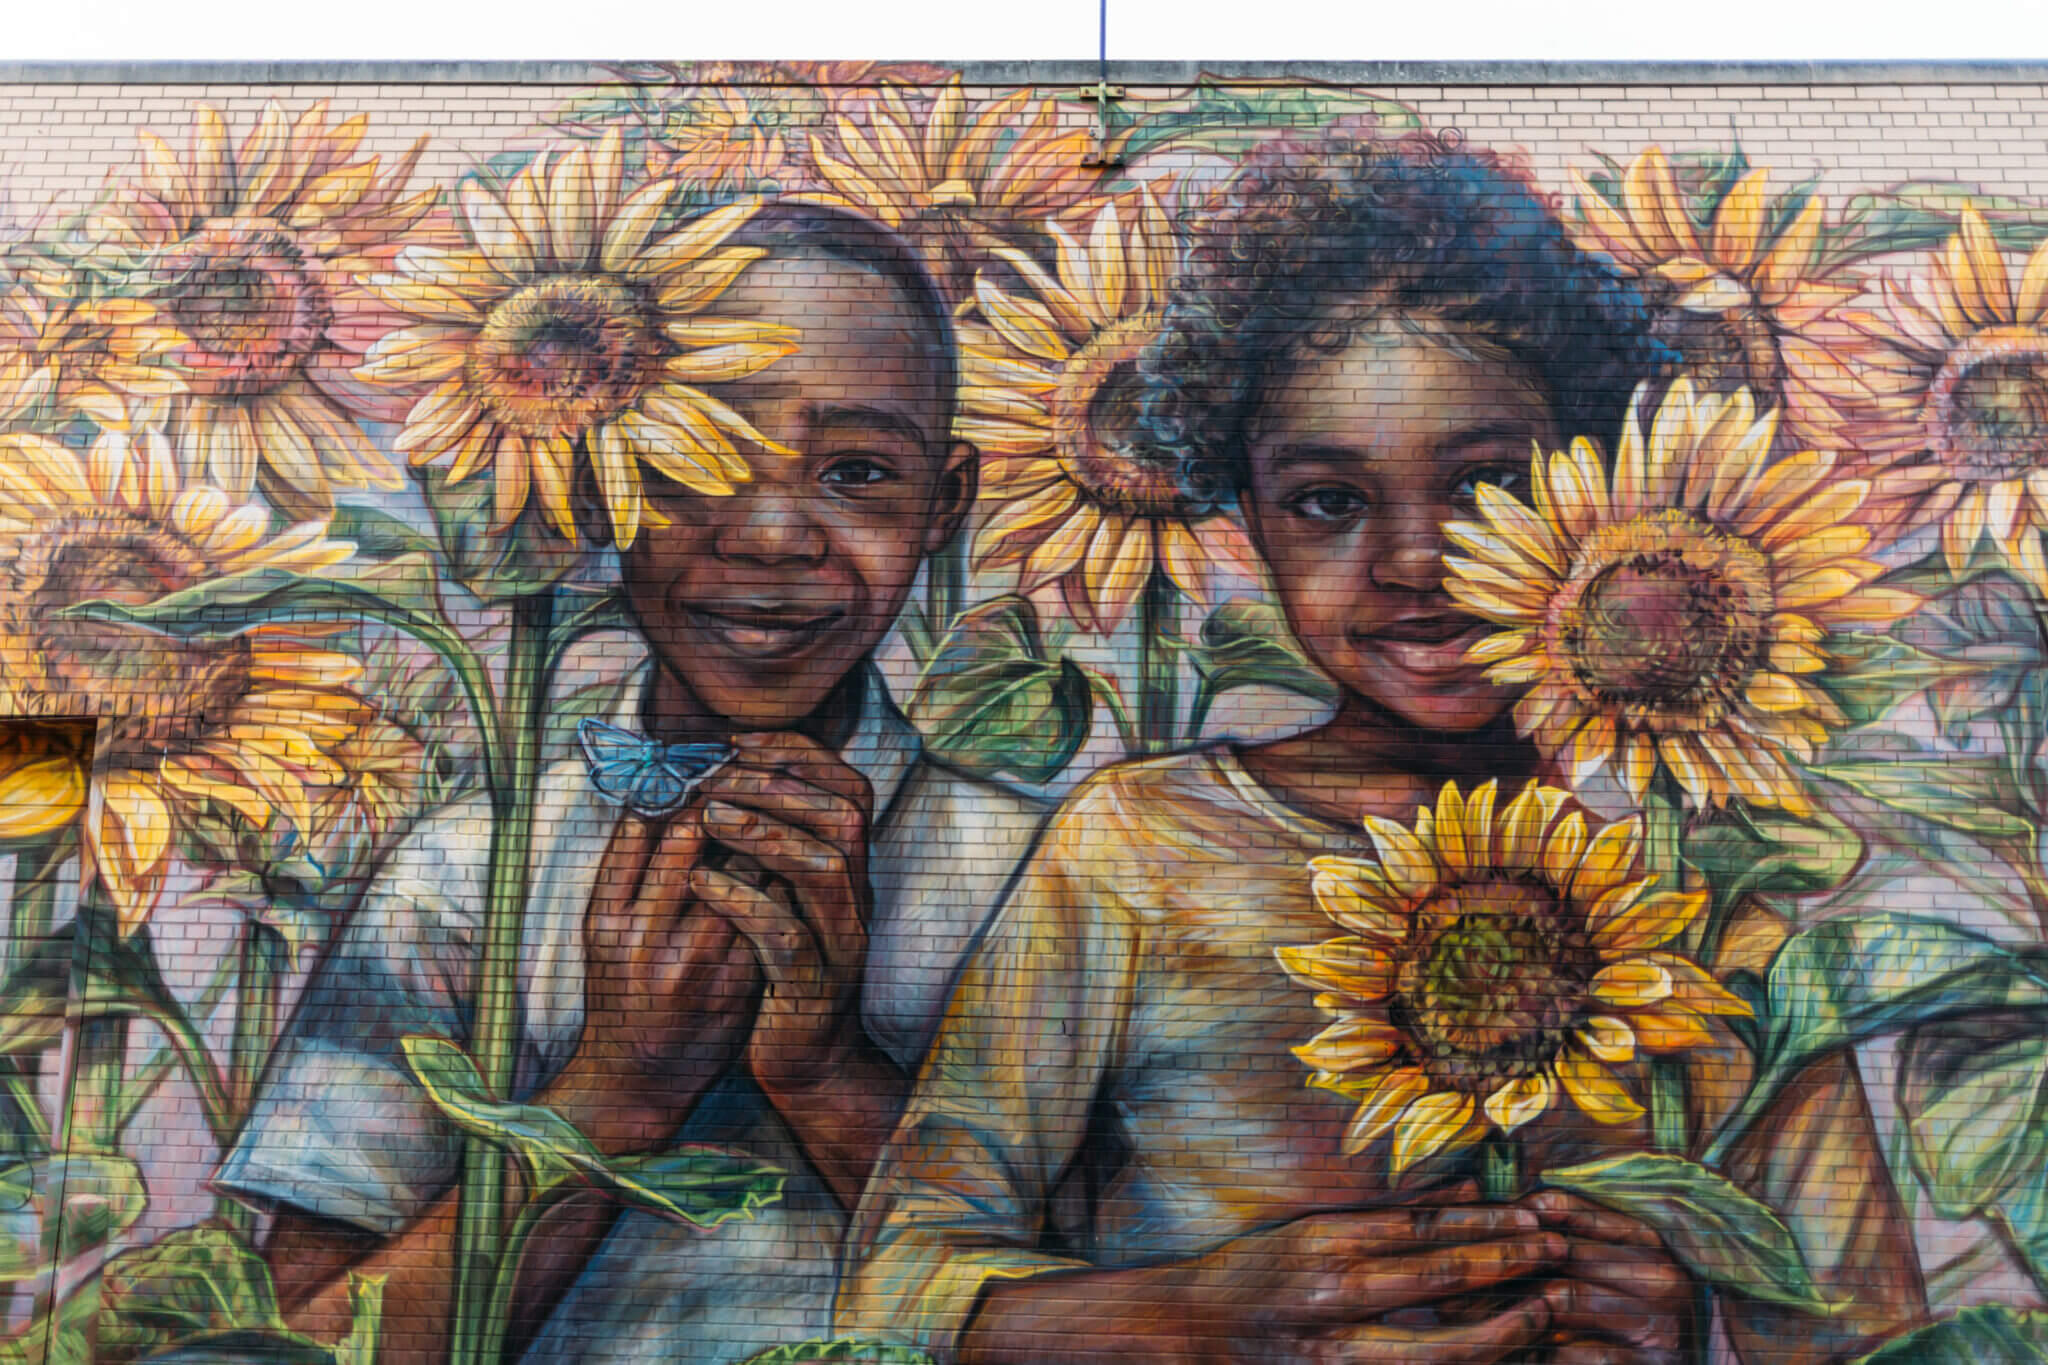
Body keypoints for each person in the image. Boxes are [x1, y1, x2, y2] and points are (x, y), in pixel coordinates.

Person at [840, 134, 1928, 1365]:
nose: (1414, 562)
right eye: (1328, 502)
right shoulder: (1137, 850)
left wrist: (1695, 1328)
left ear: (1601, 485)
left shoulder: (1705, 893)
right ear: (1247, 519)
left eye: (1482, 484)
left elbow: (1871, 1337)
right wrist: (1193, 1317)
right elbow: (898, 1283)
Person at [213, 202, 1048, 1365]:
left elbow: (1124, 1299)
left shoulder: (1042, 873)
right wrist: (617, 1089)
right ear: (596, 480)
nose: (769, 536)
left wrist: (824, 1074)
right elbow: (308, 1337)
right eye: (693, 459)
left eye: (856, 472)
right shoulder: (471, 870)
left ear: (943, 506)